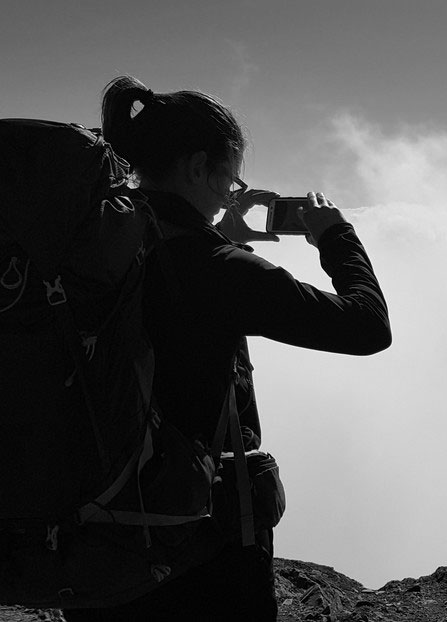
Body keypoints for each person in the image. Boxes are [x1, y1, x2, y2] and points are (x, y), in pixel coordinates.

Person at [62, 76, 391, 621]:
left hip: (95, 540)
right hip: (197, 549)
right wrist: (336, 235)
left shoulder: (93, 246)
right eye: (230, 180)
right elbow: (367, 326)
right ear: (196, 167)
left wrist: (223, 239)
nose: (229, 195)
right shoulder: (215, 270)